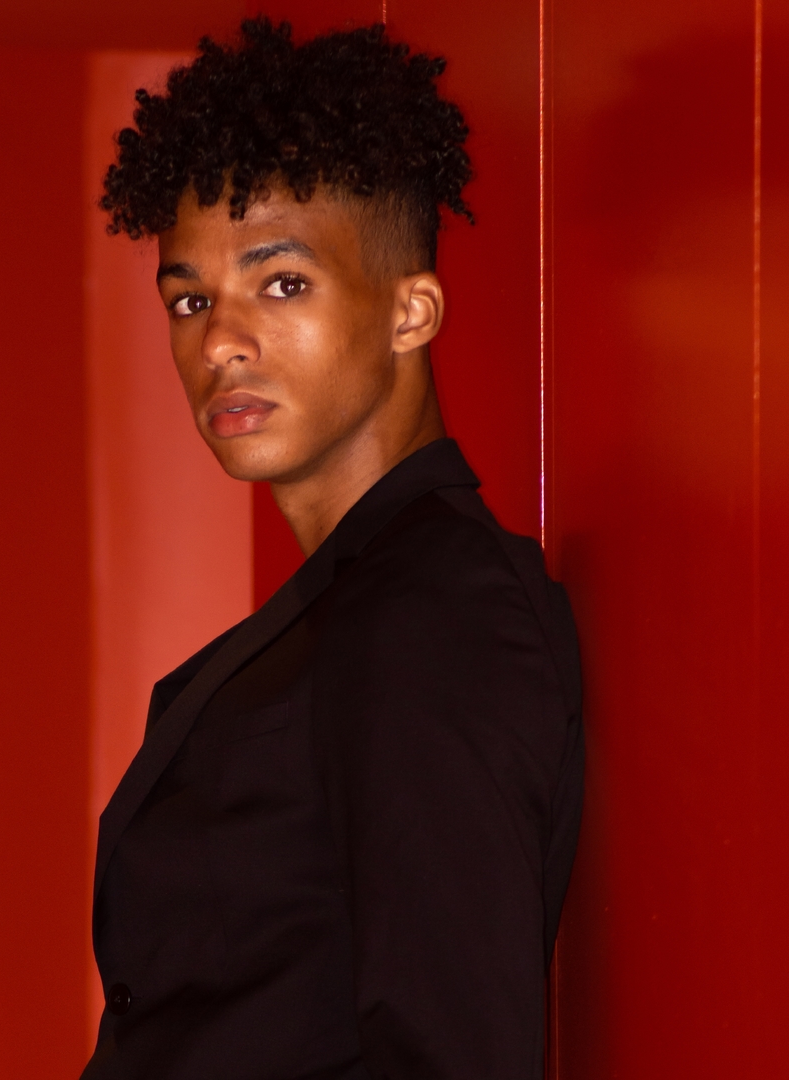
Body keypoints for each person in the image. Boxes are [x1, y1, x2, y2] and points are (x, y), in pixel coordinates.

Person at [83, 17, 583, 1080]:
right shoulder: (356, 602)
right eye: (190, 299)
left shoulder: (437, 613)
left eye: (282, 283)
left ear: (413, 311)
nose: (220, 342)